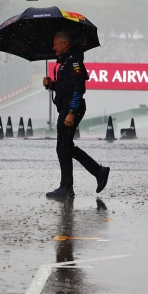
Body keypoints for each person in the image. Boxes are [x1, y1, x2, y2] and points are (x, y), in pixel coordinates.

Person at [42, 31, 110, 198]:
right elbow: (65, 87)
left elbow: (79, 88)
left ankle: (68, 187)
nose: (53, 47)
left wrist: (72, 112)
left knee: (63, 147)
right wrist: (51, 84)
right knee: (64, 147)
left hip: (72, 108)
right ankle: (97, 172)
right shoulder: (65, 60)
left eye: (56, 44)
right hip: (65, 107)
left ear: (65, 44)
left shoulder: (74, 61)